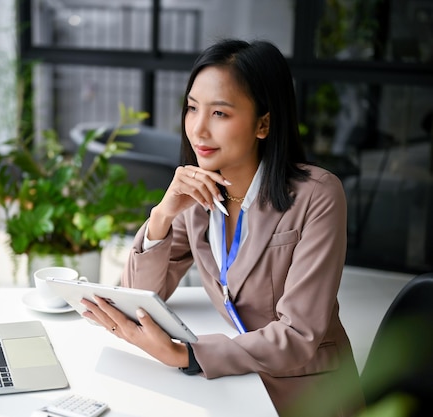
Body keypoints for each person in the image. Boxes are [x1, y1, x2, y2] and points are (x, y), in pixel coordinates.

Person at [81, 39, 366, 417]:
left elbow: (299, 335)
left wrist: (187, 354)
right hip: (235, 381)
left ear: (263, 123)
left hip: (307, 392)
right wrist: (163, 215)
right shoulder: (199, 194)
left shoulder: (318, 196)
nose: (198, 129)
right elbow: (139, 298)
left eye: (220, 113)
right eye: (192, 108)